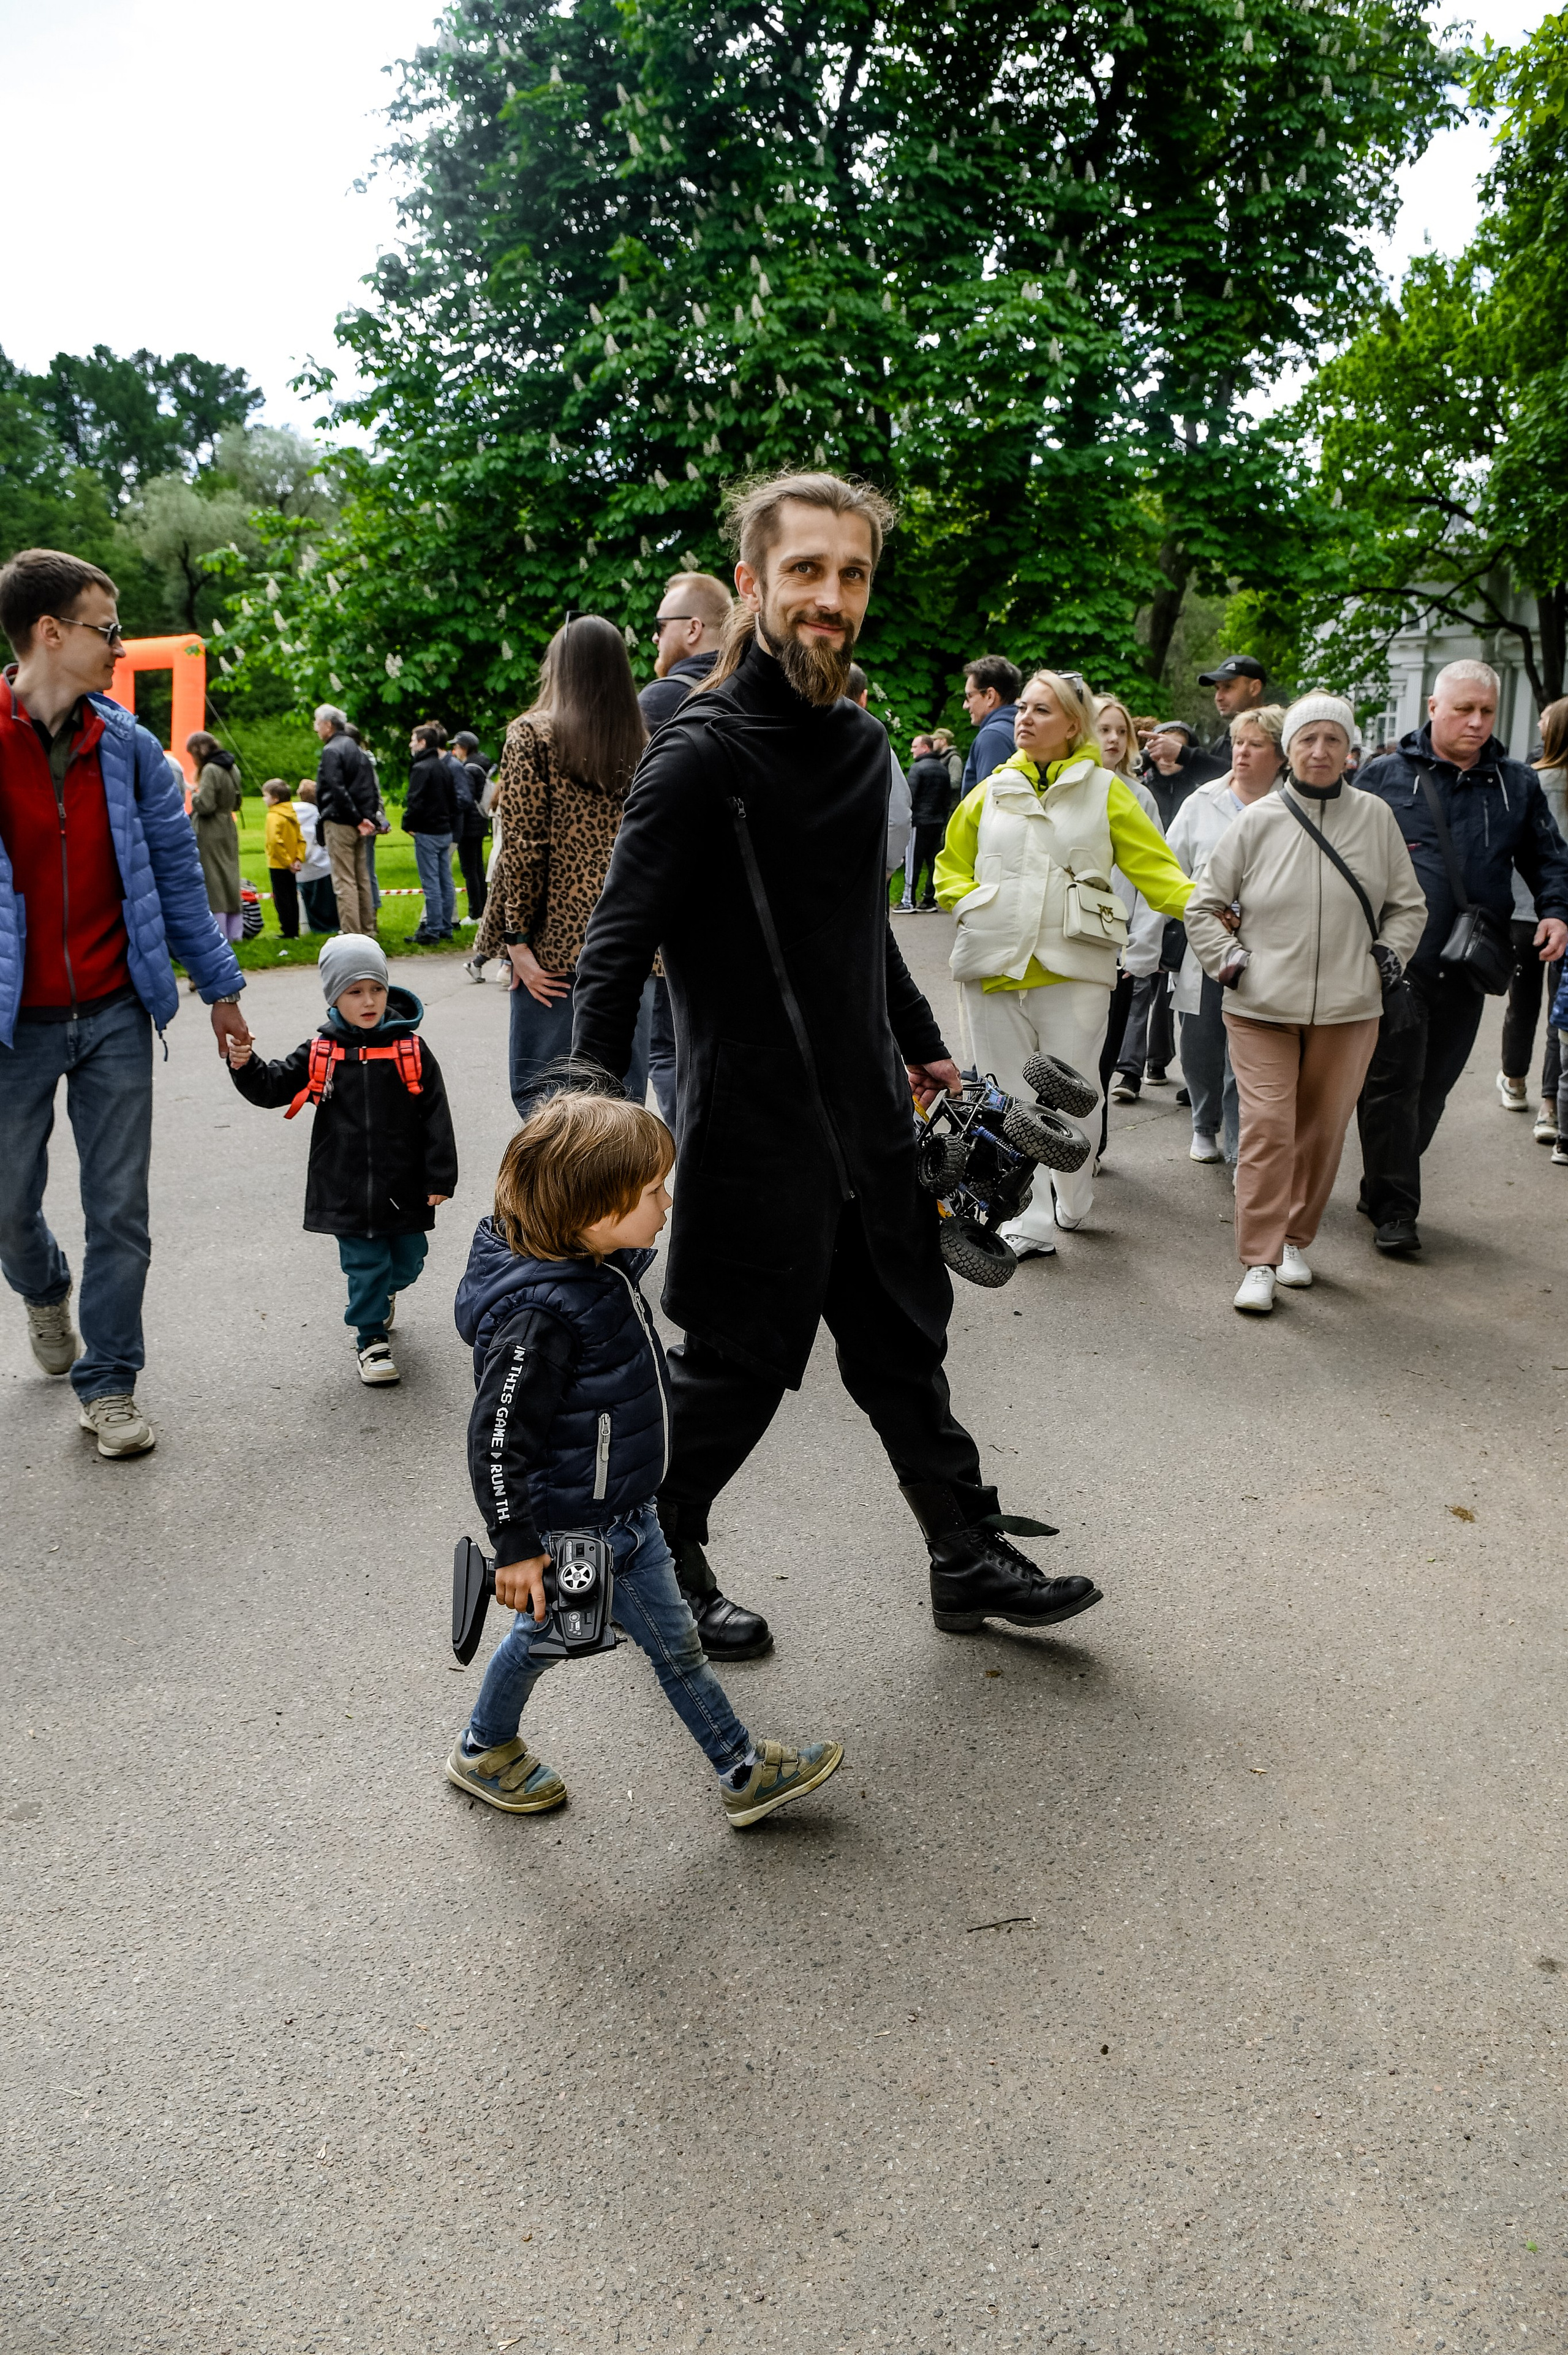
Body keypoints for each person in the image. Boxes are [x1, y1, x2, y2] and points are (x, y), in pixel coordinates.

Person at [573, 469, 1104, 1660]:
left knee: (901, 1351)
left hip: (866, 1118)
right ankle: (658, 1561)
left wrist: (924, 1052)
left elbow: (857, 935)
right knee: (732, 1373)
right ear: (753, 585)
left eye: (850, 574)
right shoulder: (696, 753)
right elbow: (612, 950)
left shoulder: (860, 746)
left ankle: (964, 1555)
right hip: (751, 1124)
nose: (829, 596)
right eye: (804, 570)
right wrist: (580, 1125)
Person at [444, 1087, 844, 1826]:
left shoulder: (594, 1269)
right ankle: (483, 1746)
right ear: (593, 1215)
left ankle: (741, 1768)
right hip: (579, 1530)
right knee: (543, 1642)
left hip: (630, 1515)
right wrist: (515, 1546)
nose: (667, 1200)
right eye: (652, 1189)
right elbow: (497, 1440)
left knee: (676, 1648)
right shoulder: (541, 1317)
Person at [0, 546, 249, 1456]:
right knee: (7, 1204)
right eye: (107, 629)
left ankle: (110, 1384)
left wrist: (220, 990)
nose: (119, 645)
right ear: (49, 632)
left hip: (111, 1014)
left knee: (120, 1211)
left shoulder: (132, 749)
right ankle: (41, 1286)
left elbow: (179, 883)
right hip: (11, 1023)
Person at [936, 669, 1195, 1252]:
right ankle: (1028, 1217)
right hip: (993, 965)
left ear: (1073, 725)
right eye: (1023, 707)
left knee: (1075, 1099)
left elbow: (1158, 873)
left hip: (1073, 970)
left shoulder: (1107, 791)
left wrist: (1212, 907)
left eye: (1041, 711)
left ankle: (1071, 1198)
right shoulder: (991, 790)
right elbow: (949, 866)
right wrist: (972, 904)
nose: (1024, 718)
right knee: (1006, 1098)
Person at [1185, 695, 1427, 1313]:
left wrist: (1383, 960)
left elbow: (1408, 905)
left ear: (1350, 751)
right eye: (1306, 738)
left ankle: (1295, 1239)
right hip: (1260, 1005)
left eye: (1331, 739)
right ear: (1288, 749)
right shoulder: (1257, 819)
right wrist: (1233, 962)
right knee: (1267, 1129)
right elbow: (1203, 905)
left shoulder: (1374, 817)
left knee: (1321, 1132)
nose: (1318, 750)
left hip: (1350, 1008)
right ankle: (1259, 1258)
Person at [1356, 660, 1568, 1253]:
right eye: (1463, 710)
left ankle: (1381, 1183)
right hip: (1398, 961)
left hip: (1473, 962)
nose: (1477, 723)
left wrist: (1556, 910)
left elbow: (1548, 859)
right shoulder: (1384, 777)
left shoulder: (1515, 783)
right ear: (1432, 708)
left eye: (1487, 712)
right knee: (1393, 1082)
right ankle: (1397, 1210)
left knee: (1433, 1088)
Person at [225, 935, 456, 1385]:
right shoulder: (321, 1051)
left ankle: (386, 1292)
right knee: (365, 1264)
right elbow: (271, 1088)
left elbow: (437, 1116)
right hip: (345, 1186)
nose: (368, 1001)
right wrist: (244, 1063)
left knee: (408, 1261)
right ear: (334, 996)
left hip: (404, 1186)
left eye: (377, 989)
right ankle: (370, 1339)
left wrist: (440, 1175)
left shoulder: (411, 1049)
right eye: (354, 991)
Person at [473, 615, 655, 1118]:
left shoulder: (532, 735)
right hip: (631, 942)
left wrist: (516, 942)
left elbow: (524, 848)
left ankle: (556, 1199)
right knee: (619, 1100)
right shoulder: (642, 742)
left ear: (560, 668)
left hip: (555, 945)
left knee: (546, 1099)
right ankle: (615, 1199)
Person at [1165, 706, 1289, 1165]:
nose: (1242, 752)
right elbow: (1168, 871)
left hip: (1266, 948)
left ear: (1279, 754)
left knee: (1250, 1050)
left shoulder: (1292, 807)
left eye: (1255, 744)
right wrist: (1203, 908)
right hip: (1206, 945)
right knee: (1201, 1040)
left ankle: (1241, 1145)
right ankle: (1204, 1121)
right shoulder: (1202, 802)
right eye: (1238, 742)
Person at [1092, 695, 1168, 1152]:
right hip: (1062, 948)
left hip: (1115, 950)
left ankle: (1093, 1145)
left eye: (1122, 730)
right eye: (1105, 729)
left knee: (1103, 1056)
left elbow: (1154, 877)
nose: (1116, 739)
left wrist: (1140, 948)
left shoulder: (1140, 797)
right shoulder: (1061, 786)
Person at [1496, 695, 1568, 1136]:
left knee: (1521, 1004)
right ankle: (1551, 1106)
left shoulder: (1530, 781)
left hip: (1524, 910)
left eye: (1545, 718)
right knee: (1562, 1015)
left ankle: (1516, 1081)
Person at [312, 704, 378, 936]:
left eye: (317, 723)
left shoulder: (332, 750)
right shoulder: (357, 750)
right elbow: (370, 789)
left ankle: (352, 933)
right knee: (362, 878)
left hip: (340, 821)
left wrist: (356, 818)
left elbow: (335, 789)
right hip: (359, 823)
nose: (316, 728)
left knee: (344, 881)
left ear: (328, 725)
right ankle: (368, 929)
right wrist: (366, 819)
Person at [638, 571, 733, 728]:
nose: (655, 637)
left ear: (693, 630)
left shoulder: (658, 699)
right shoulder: (760, 688)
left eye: (661, 626)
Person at [847, 661, 911, 878]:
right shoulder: (875, 747)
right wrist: (887, 868)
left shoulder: (791, 740)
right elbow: (899, 817)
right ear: (864, 698)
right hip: (862, 876)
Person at [404, 721, 461, 943]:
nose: (411, 744)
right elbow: (454, 801)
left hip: (427, 831)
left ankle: (433, 929)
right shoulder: (444, 767)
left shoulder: (421, 768)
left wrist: (408, 824)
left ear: (422, 742)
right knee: (445, 880)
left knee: (431, 883)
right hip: (444, 830)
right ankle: (446, 926)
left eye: (413, 739)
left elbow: (415, 801)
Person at [186, 731, 244, 943]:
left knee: (214, 879)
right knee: (230, 875)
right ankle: (236, 932)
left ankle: (219, 931)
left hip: (210, 829)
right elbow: (238, 803)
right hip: (228, 825)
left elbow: (206, 805)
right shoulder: (232, 767)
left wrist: (194, 795)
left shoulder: (210, 770)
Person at [902, 734, 955, 911]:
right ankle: (929, 900)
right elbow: (947, 798)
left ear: (925, 748)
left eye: (914, 746)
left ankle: (908, 901)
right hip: (938, 821)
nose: (912, 750)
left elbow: (909, 796)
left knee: (913, 863)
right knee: (933, 862)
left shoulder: (917, 768)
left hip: (919, 822)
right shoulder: (942, 769)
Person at [959, 655, 1021, 796]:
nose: (965, 705)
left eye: (969, 696)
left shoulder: (993, 737)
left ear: (990, 696)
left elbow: (989, 802)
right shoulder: (1018, 729)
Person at [449, 731, 491, 922]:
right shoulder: (480, 764)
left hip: (468, 826)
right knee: (477, 868)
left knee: (469, 870)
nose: (454, 751)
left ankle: (476, 912)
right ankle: (483, 910)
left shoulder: (468, 769)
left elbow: (466, 798)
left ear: (463, 748)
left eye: (456, 747)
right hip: (480, 822)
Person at [1196, 655, 1267, 759]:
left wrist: (1186, 755)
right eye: (1217, 689)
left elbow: (1246, 772)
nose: (1218, 697)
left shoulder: (1276, 737)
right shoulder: (1223, 743)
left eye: (1228, 687)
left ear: (1255, 688)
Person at [262, 778, 306, 940]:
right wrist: (297, 859)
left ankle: (287, 930)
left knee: (282, 899)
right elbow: (301, 839)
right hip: (293, 863)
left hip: (278, 864)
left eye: (265, 796)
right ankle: (294, 930)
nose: (263, 799)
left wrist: (287, 862)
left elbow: (274, 842)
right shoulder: (291, 814)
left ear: (275, 799)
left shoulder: (273, 816)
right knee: (292, 897)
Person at [293, 779, 338, 934]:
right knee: (325, 902)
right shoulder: (318, 814)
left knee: (308, 901)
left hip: (300, 867)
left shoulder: (291, 814)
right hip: (322, 865)